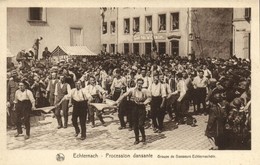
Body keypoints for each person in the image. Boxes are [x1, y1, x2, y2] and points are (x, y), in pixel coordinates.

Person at [115, 78, 151, 144]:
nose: (139, 85)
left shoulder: (145, 90)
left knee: (140, 125)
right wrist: (117, 101)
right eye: (138, 83)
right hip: (134, 108)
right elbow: (124, 95)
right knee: (135, 124)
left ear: (142, 84)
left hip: (142, 108)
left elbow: (149, 98)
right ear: (136, 83)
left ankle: (143, 136)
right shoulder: (132, 90)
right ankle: (136, 139)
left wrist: (144, 103)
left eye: (141, 83)